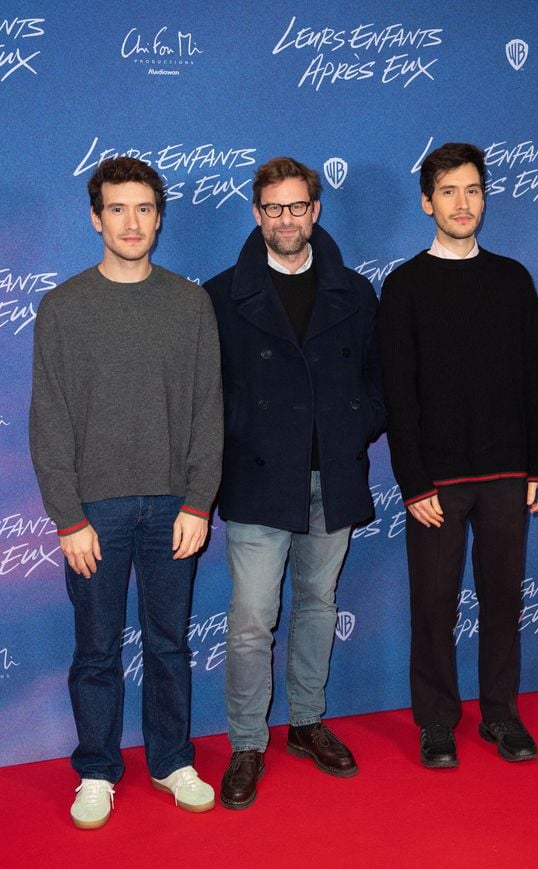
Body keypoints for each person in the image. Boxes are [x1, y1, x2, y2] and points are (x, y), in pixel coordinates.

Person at [29, 157, 223, 828]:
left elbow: (207, 411)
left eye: (143, 208)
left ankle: (171, 759)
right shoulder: (62, 307)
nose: (131, 221)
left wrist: (199, 502)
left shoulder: (190, 303)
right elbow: (48, 418)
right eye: (117, 208)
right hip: (94, 514)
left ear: (160, 215)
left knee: (169, 641)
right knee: (97, 647)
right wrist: (67, 517)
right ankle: (96, 768)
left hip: (174, 506)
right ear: (96, 217)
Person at [205, 156, 385, 809]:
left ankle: (307, 722)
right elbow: (209, 394)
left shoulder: (356, 292)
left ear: (315, 211)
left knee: (317, 604)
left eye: (297, 206)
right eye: (273, 208)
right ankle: (248, 743)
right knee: (252, 617)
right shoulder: (222, 294)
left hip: (331, 477)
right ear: (258, 214)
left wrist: (358, 425)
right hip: (258, 481)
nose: (286, 218)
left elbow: (376, 378)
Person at [379, 142, 538, 769]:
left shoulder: (512, 279)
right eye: (450, 191)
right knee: (432, 605)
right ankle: (435, 721)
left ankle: (501, 715)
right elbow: (397, 397)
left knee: (504, 599)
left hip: (509, 473)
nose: (463, 203)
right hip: (437, 483)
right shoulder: (404, 286)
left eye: (473, 190)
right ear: (428, 202)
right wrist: (414, 482)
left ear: (485, 198)